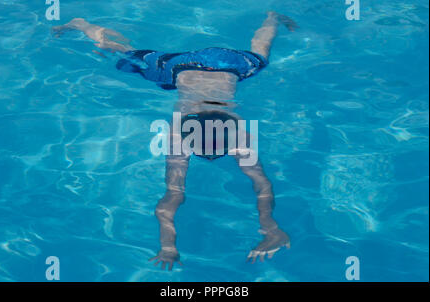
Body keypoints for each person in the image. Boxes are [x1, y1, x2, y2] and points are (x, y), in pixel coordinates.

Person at [53, 11, 298, 270]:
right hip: (185, 69)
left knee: (259, 54)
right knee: (122, 52)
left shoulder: (197, 136)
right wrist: (269, 226)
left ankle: (82, 24)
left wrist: (169, 247)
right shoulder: (226, 137)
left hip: (228, 66)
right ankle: (272, 18)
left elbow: (173, 197)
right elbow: (261, 186)